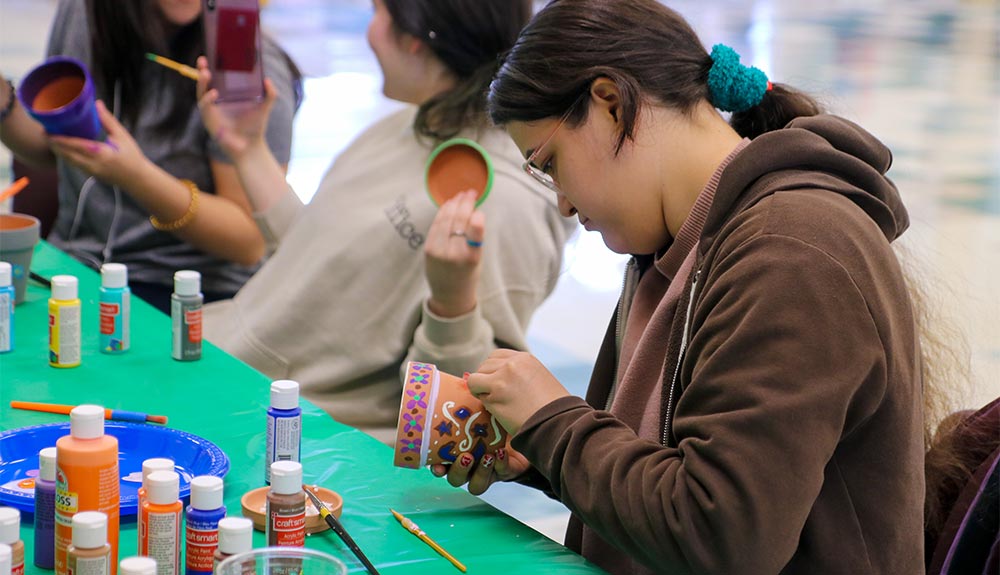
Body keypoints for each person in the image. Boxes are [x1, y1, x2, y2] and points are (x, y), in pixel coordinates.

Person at [439, 1, 927, 573]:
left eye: (549, 163)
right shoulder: (674, 248)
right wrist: (538, 452)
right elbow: (666, 469)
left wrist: (556, 423)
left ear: (611, 105)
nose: (564, 203)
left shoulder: (793, 252)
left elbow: (724, 537)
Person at [195, 0, 574, 443]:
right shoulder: (419, 120)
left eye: (377, 12)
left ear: (416, 40)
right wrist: (247, 149)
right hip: (229, 364)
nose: (368, 33)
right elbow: (323, 253)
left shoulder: (508, 202)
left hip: (294, 431)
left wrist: (452, 305)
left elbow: (464, 414)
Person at [0, 0, 300, 312]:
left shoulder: (247, 69)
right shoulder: (87, 14)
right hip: (73, 269)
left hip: (186, 291)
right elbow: (56, 149)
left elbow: (250, 243)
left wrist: (136, 176)